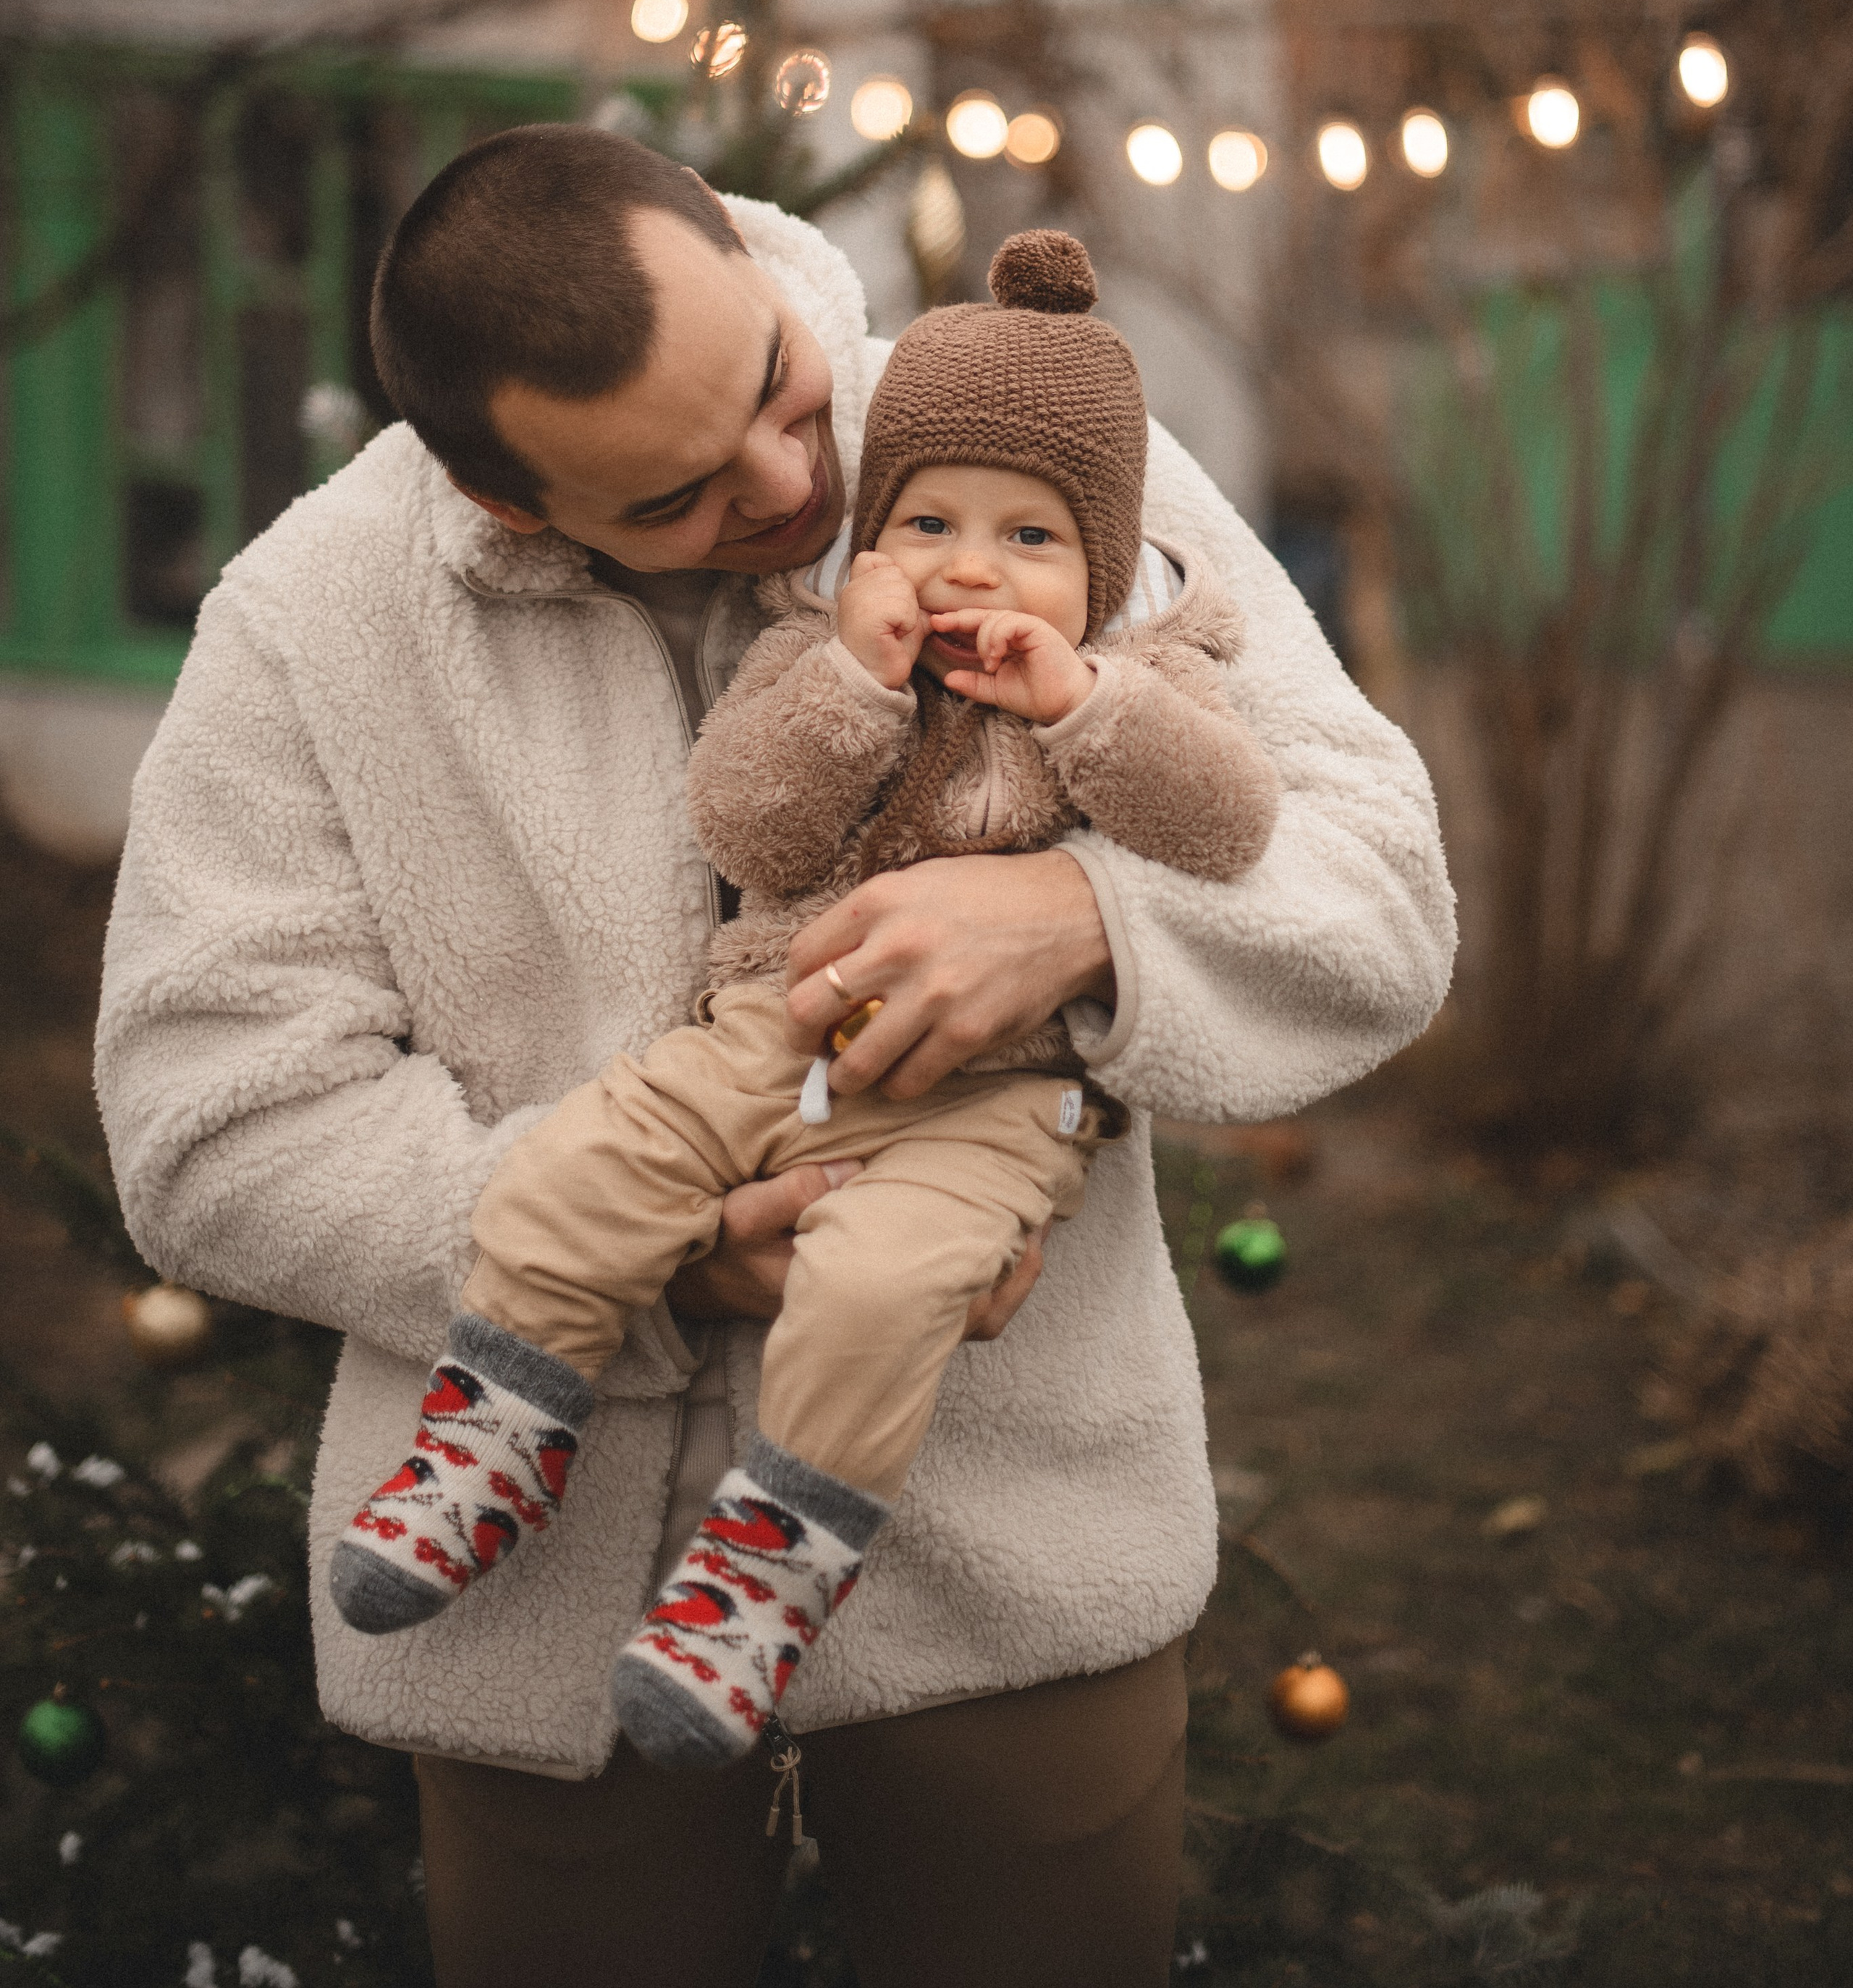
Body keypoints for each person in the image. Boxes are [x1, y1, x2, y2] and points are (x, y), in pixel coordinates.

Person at [95, 128, 1455, 1988]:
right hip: (544, 1625)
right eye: (673, 495)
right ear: (512, 508)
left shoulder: (1018, 439)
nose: (794, 478)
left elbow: (1379, 890)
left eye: (770, 382)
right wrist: (641, 1249)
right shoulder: (310, 621)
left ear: (738, 252)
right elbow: (210, 1122)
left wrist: (1085, 922)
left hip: (1014, 1577)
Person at [329, 228, 1284, 1776]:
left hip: (994, 1091)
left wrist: (1088, 718)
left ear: (1105, 565)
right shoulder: (810, 643)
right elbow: (750, 830)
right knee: (588, 1162)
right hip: (771, 1025)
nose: (970, 564)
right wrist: (846, 680)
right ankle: (492, 1428)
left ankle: (767, 1570)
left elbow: (1237, 823)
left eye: (1029, 539)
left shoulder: (1144, 670)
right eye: (927, 521)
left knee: (882, 1283)